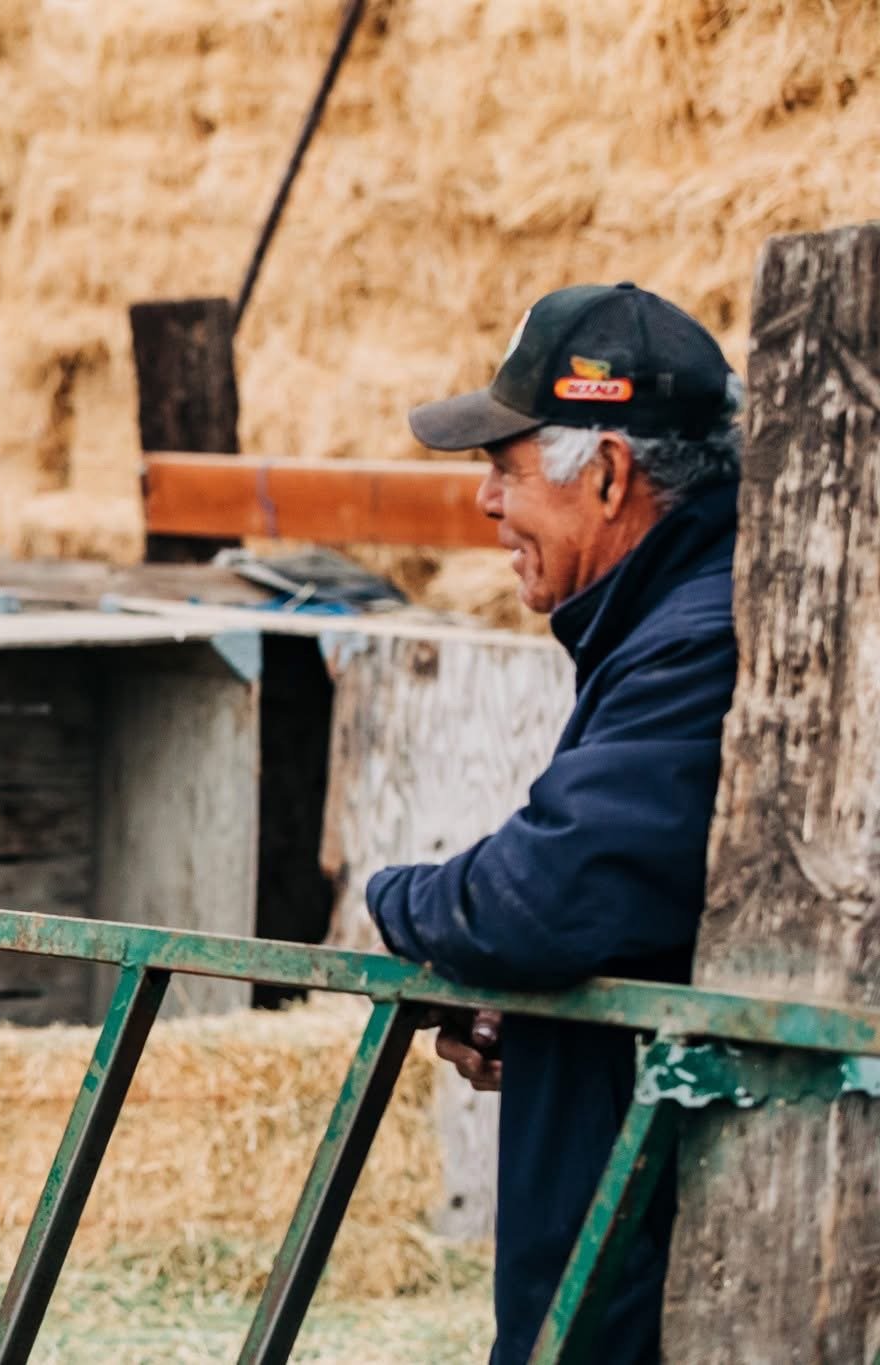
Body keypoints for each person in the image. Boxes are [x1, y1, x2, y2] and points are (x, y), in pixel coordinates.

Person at [367, 283, 743, 1363]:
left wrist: (397, 901)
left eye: (504, 465)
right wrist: (536, 1010)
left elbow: (536, 898)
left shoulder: (696, 638)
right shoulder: (669, 619)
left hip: (661, 1277)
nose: (485, 501)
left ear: (611, 474)